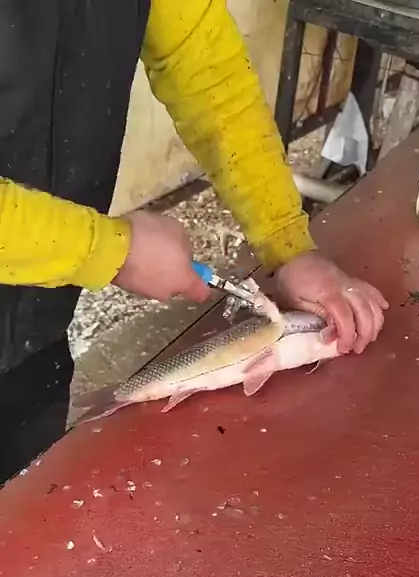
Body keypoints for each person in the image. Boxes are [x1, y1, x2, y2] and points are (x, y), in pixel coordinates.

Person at [0, 0, 387, 484]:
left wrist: (288, 242)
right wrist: (108, 250)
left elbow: (206, 69)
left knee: (26, 500)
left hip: (37, 326)